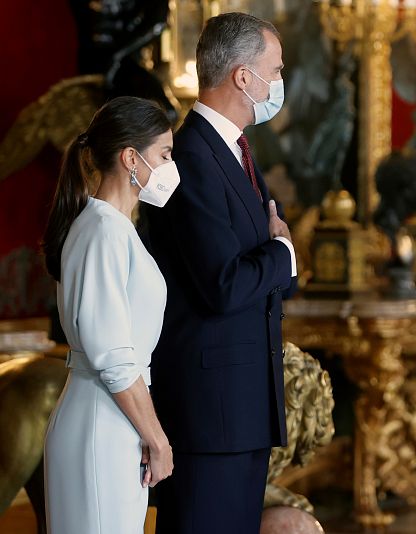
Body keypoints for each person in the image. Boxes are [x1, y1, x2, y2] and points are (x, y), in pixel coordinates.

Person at [141, 12, 297, 534]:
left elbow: (264, 280)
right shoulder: (191, 154)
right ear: (242, 77)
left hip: (241, 407)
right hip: (210, 414)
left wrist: (278, 260)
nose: (279, 82)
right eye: (274, 70)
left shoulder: (235, 151)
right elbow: (223, 285)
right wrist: (282, 253)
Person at [41, 96, 176, 534]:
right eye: (165, 155)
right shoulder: (101, 231)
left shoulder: (115, 228)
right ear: (131, 158)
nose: (171, 167)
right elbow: (114, 356)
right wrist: (157, 438)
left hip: (115, 420)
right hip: (101, 421)